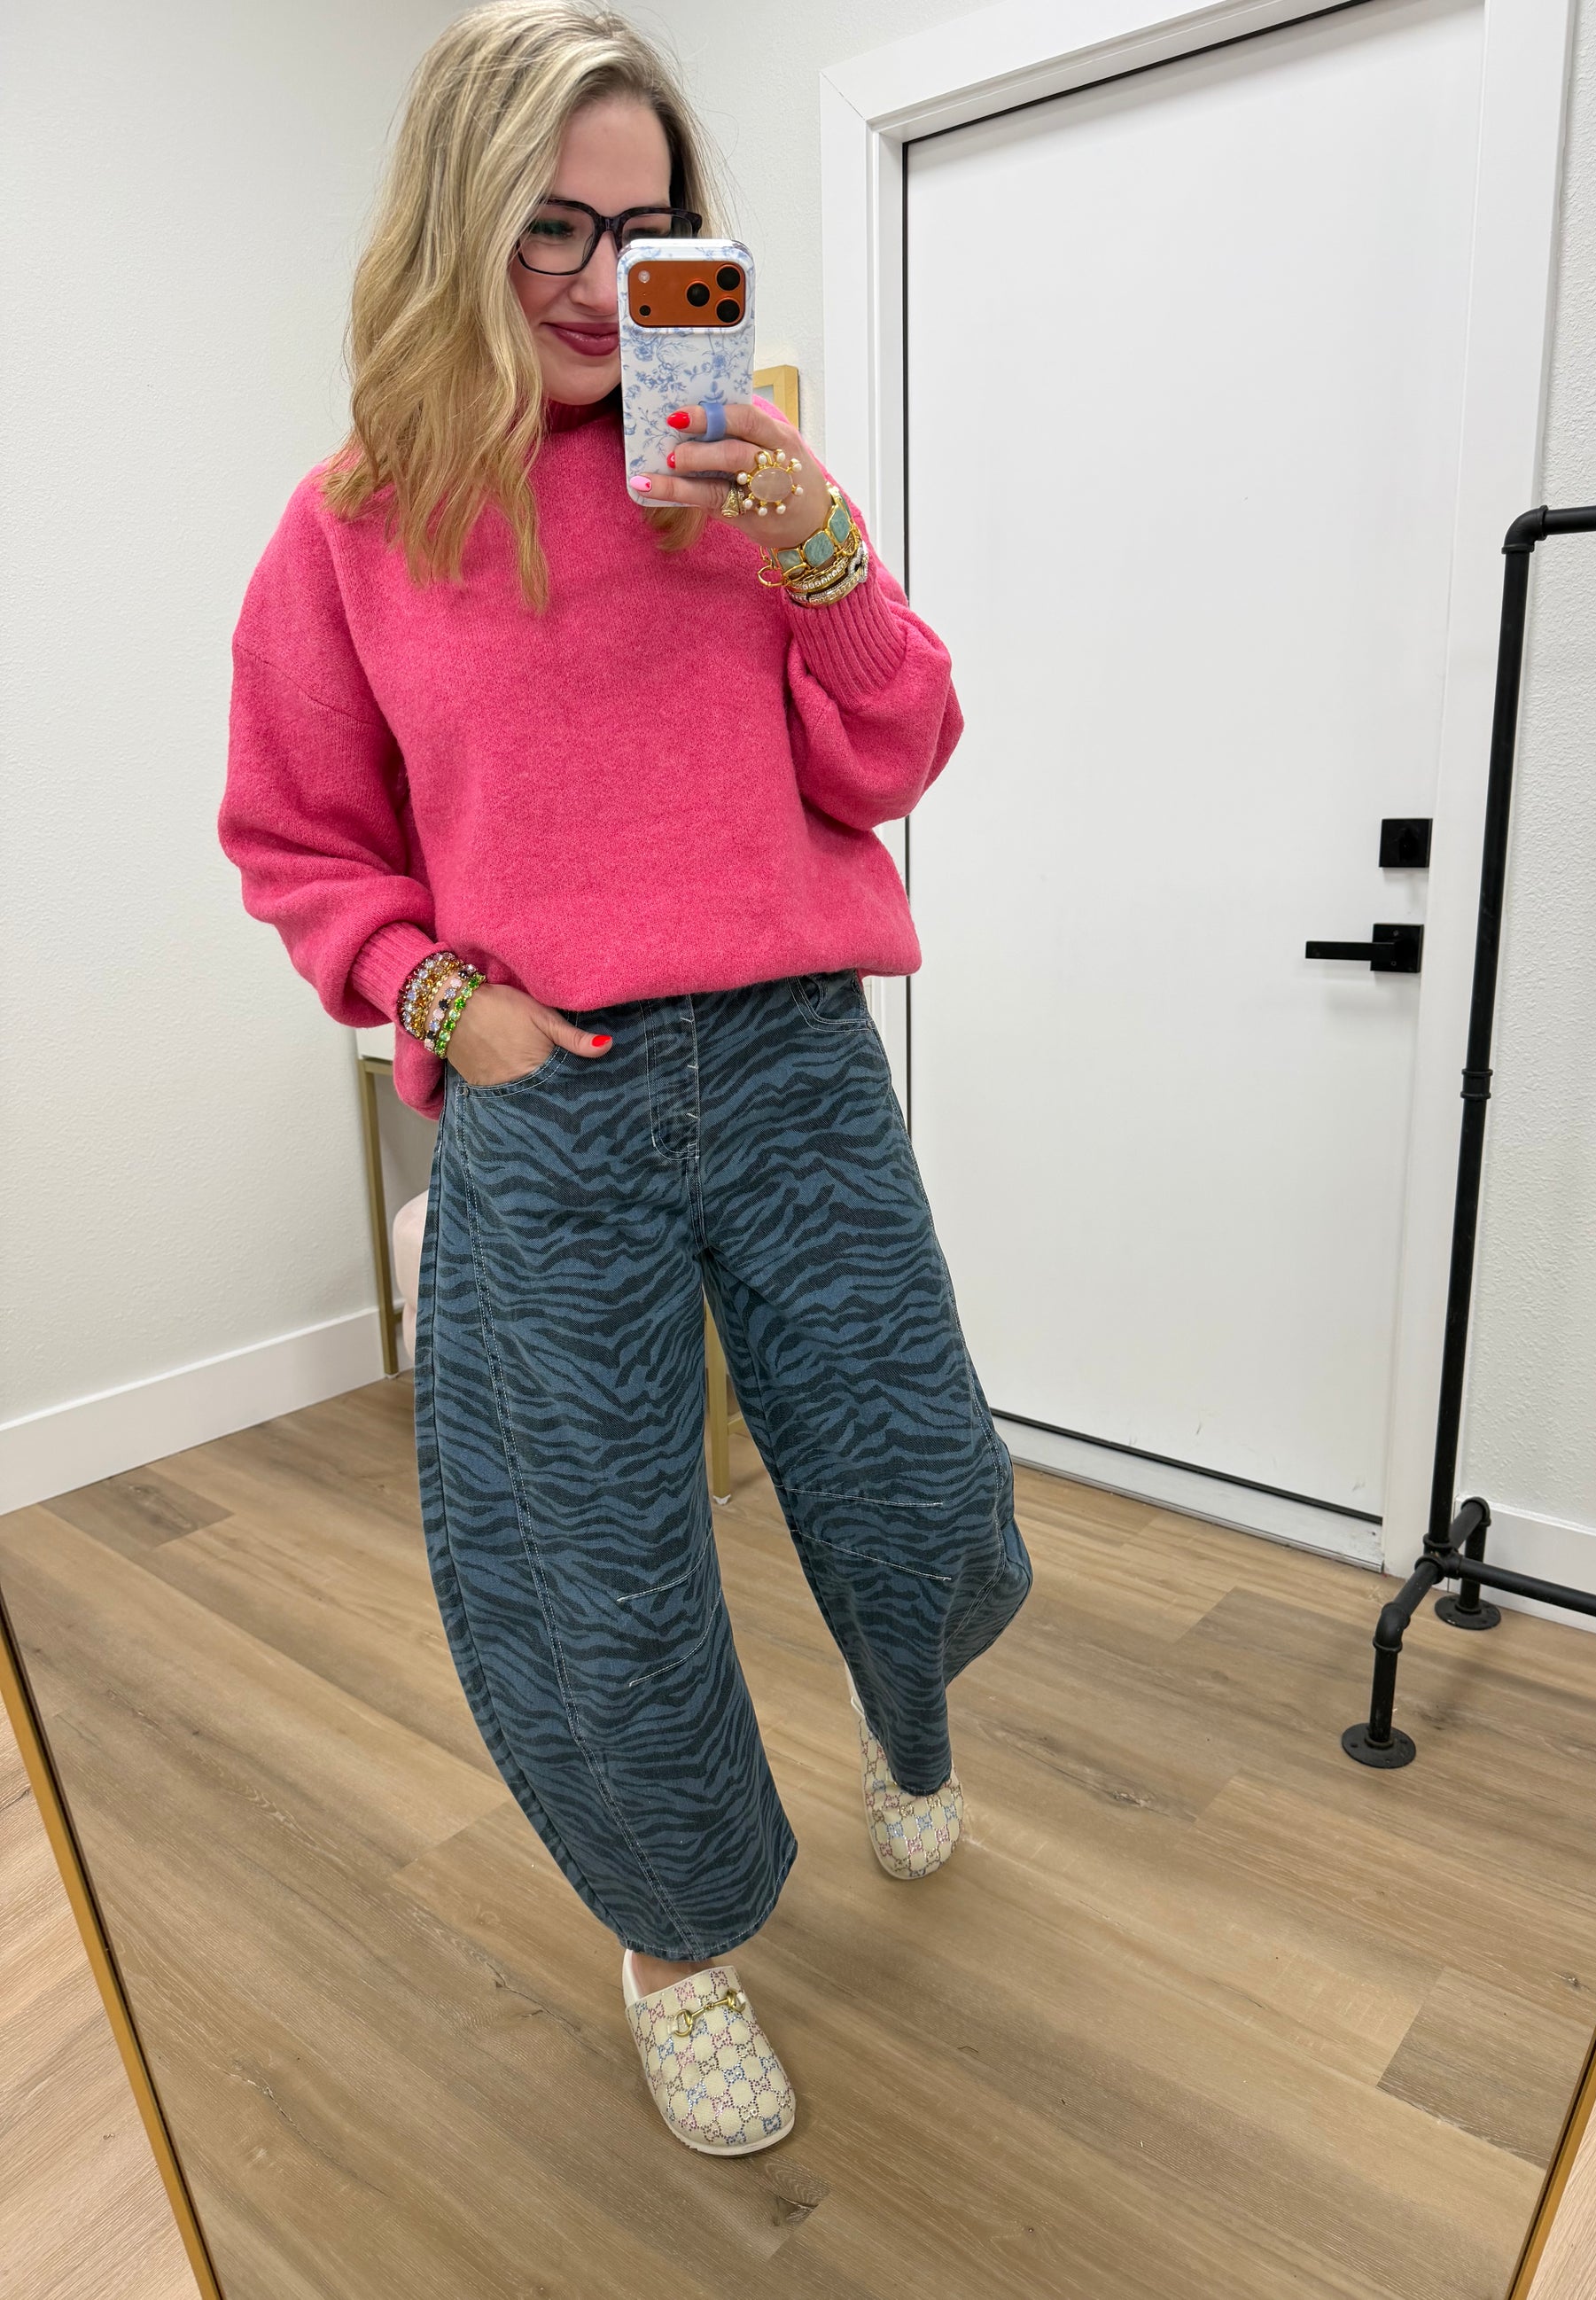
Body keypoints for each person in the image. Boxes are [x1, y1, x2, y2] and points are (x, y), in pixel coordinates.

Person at [218, 0, 1032, 2158]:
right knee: (593, 1553)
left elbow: (898, 751)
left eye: (648, 228)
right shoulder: (351, 528)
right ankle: (674, 1945)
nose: (603, 281)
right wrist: (429, 999)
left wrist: (815, 545)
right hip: (550, 1094)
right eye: (550, 228)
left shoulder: (743, 474)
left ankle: (910, 1711)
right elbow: (298, 837)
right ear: (456, 222)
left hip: (791, 1058)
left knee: (913, 1475)